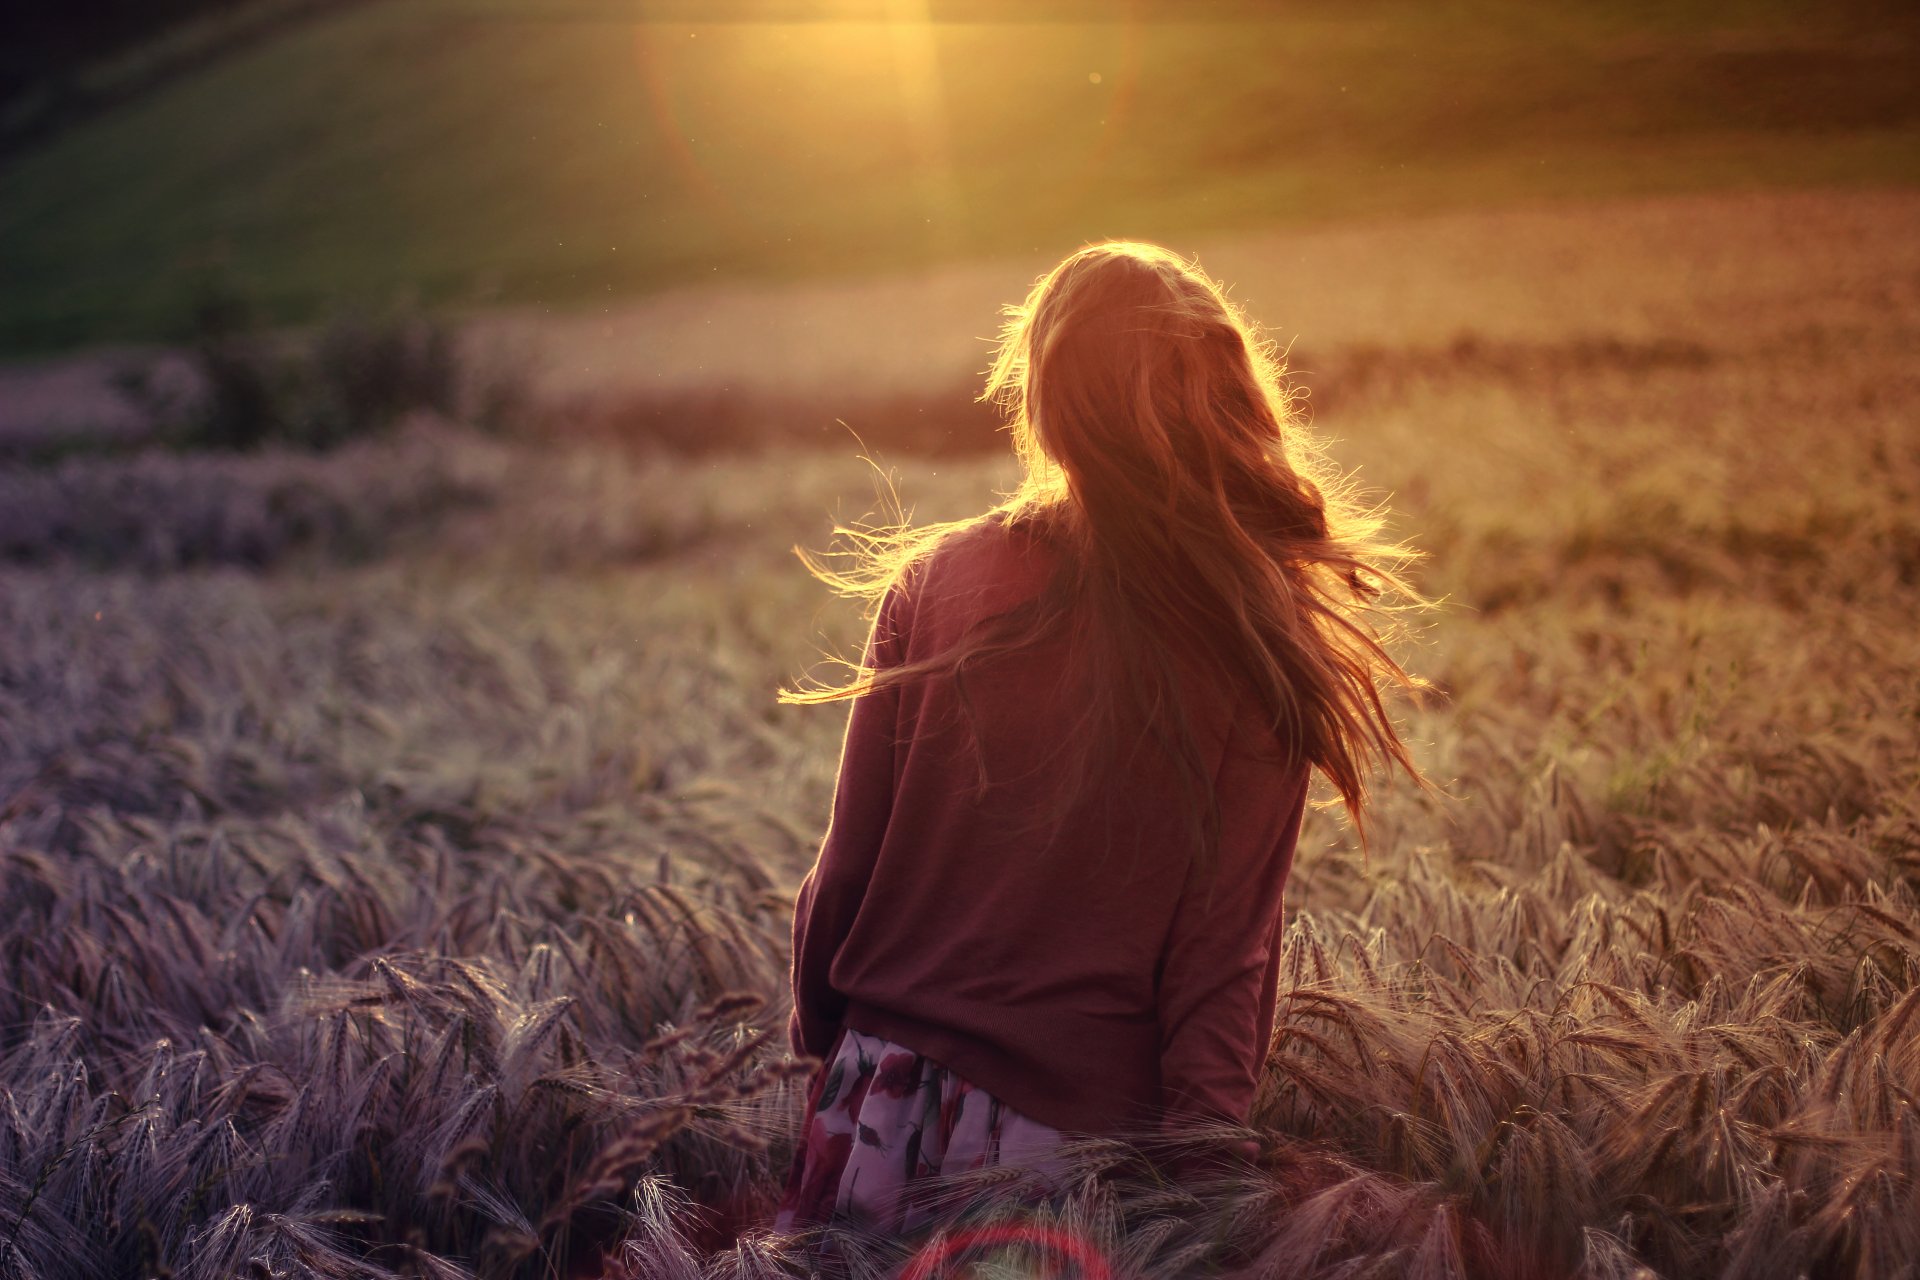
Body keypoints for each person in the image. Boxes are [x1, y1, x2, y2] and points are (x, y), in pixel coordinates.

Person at [772, 241, 1425, 1235]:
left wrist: (831, 1045)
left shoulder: (935, 582)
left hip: (876, 1105)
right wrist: (1203, 1186)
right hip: (1067, 1159)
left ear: (1042, 398)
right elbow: (1223, 956)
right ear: (1221, 391)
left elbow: (845, 864)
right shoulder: (1246, 627)